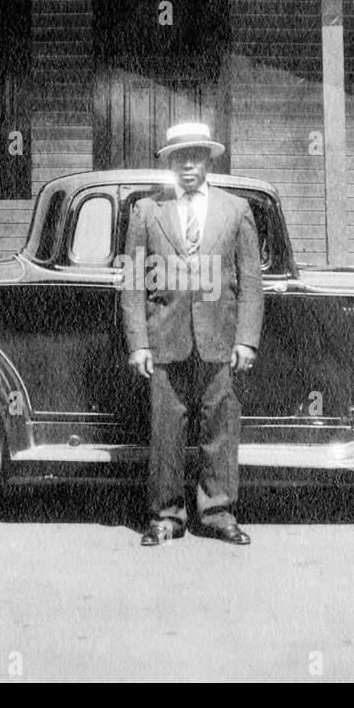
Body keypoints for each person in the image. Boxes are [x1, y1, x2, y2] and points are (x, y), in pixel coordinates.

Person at [121, 122, 264, 546]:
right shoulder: (147, 211)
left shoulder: (236, 210)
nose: (187, 164)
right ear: (168, 162)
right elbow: (131, 281)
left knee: (221, 427)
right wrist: (139, 343)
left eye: (196, 156)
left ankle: (218, 512)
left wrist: (245, 338)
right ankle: (166, 516)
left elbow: (251, 282)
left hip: (220, 338)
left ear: (208, 160)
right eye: (179, 157)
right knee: (166, 429)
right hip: (165, 338)